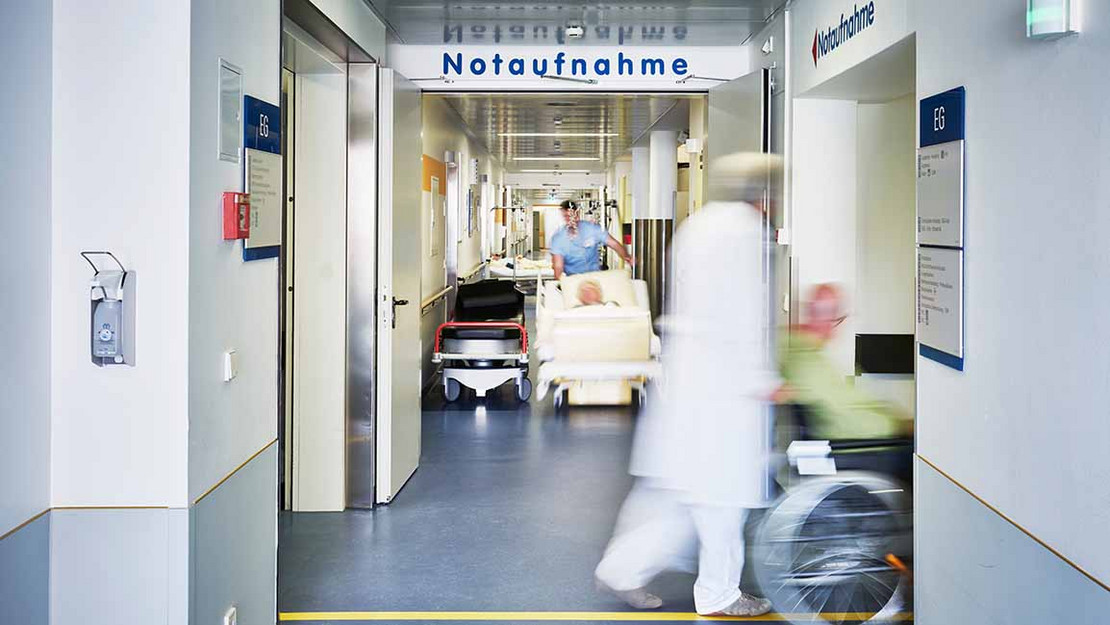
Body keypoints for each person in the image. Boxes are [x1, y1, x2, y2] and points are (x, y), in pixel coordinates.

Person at [594, 153, 782, 617]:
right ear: (761, 194)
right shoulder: (742, 234)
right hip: (722, 391)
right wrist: (763, 379)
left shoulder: (699, 226)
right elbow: (740, 319)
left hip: (688, 383)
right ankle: (719, 592)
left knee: (673, 496)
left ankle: (620, 570)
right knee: (721, 502)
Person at [779, 283, 914, 441]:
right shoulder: (809, 365)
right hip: (859, 441)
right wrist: (898, 426)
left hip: (874, 425)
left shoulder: (806, 352)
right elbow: (846, 419)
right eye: (834, 316)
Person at [550, 200, 633, 278]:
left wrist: (627, 257)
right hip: (573, 278)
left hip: (594, 276)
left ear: (577, 214)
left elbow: (614, 244)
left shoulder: (592, 229)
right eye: (566, 216)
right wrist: (561, 283)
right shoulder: (558, 239)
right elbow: (558, 266)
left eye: (571, 215)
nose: (569, 219)